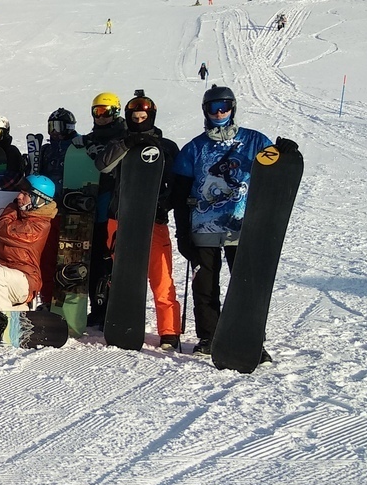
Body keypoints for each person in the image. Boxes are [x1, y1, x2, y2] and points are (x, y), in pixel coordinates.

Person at [171, 85, 275, 357]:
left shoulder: (255, 142)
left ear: (233, 108)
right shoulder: (194, 149)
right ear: (205, 111)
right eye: (213, 108)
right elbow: (180, 195)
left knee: (246, 288)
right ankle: (209, 337)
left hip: (243, 229)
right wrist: (182, 235)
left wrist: (284, 155)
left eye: (224, 107)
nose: (219, 113)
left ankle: (250, 337)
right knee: (205, 287)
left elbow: (275, 172)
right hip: (203, 229)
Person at [90, 92, 182, 350]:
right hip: (120, 219)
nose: (138, 121)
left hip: (154, 220)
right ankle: (124, 322)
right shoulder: (120, 142)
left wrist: (166, 202)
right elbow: (103, 165)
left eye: (143, 117)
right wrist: (127, 143)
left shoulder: (167, 147)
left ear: (151, 117)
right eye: (134, 117)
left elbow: (177, 182)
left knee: (161, 277)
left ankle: (169, 332)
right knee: (123, 276)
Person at [0, 174, 58, 346]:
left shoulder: (41, 224)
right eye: (20, 192)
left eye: (25, 194)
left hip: (26, 281)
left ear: (39, 199)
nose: (18, 196)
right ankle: (19, 312)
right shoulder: (24, 216)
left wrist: (10, 209)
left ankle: (3, 325)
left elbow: (3, 229)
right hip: (9, 280)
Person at [75, 92, 127, 327]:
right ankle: (97, 308)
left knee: (112, 259)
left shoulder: (124, 137)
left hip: (116, 205)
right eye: (97, 112)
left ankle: (113, 308)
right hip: (94, 204)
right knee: (94, 258)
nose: (102, 117)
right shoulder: (89, 139)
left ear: (116, 112)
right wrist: (74, 144)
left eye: (106, 112)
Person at [36, 108, 77, 308]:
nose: (54, 131)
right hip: (49, 210)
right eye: (51, 127)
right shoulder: (47, 149)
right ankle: (47, 297)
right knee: (47, 257)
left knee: (69, 259)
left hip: (72, 211)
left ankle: (68, 301)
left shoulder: (77, 147)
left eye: (58, 127)